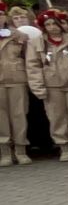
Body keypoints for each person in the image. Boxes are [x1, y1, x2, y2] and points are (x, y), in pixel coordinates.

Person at [28, 10, 68, 160]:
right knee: (57, 117)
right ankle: (63, 147)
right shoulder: (37, 43)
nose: (52, 27)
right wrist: (38, 87)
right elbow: (33, 66)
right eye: (48, 24)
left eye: (55, 23)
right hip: (52, 86)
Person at [0, 9, 31, 166]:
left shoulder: (19, 35)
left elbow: (29, 59)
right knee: (1, 118)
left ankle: (20, 150)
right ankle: (5, 151)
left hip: (17, 79)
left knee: (19, 116)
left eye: (0, 14)